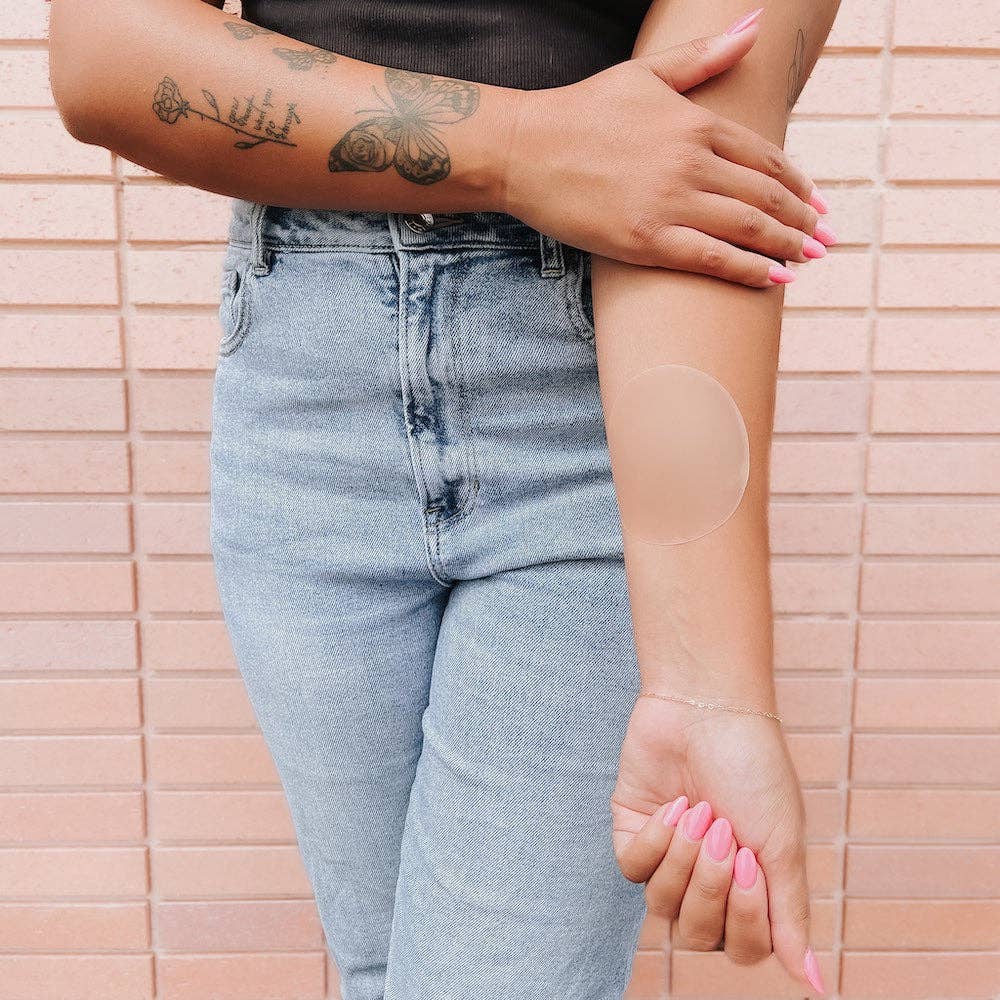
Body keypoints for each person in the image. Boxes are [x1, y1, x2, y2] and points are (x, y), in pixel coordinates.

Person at [48, 1, 841, 997]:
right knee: (388, 972)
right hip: (300, 385)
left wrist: (709, 689)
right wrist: (517, 146)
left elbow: (694, 181)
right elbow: (103, 53)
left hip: (588, 394)